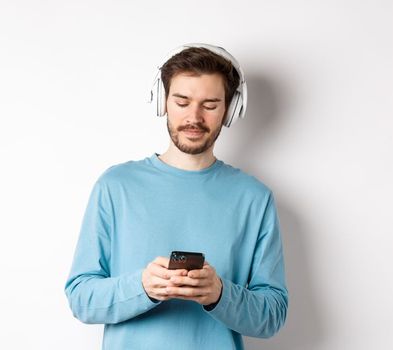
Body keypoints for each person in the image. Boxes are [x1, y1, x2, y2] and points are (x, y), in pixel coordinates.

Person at [63, 43, 288, 349]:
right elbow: (80, 299)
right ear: (162, 102)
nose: (194, 117)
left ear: (230, 110)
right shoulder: (116, 186)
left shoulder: (254, 198)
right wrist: (142, 286)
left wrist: (220, 294)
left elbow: (273, 315)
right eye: (182, 102)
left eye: (209, 105)